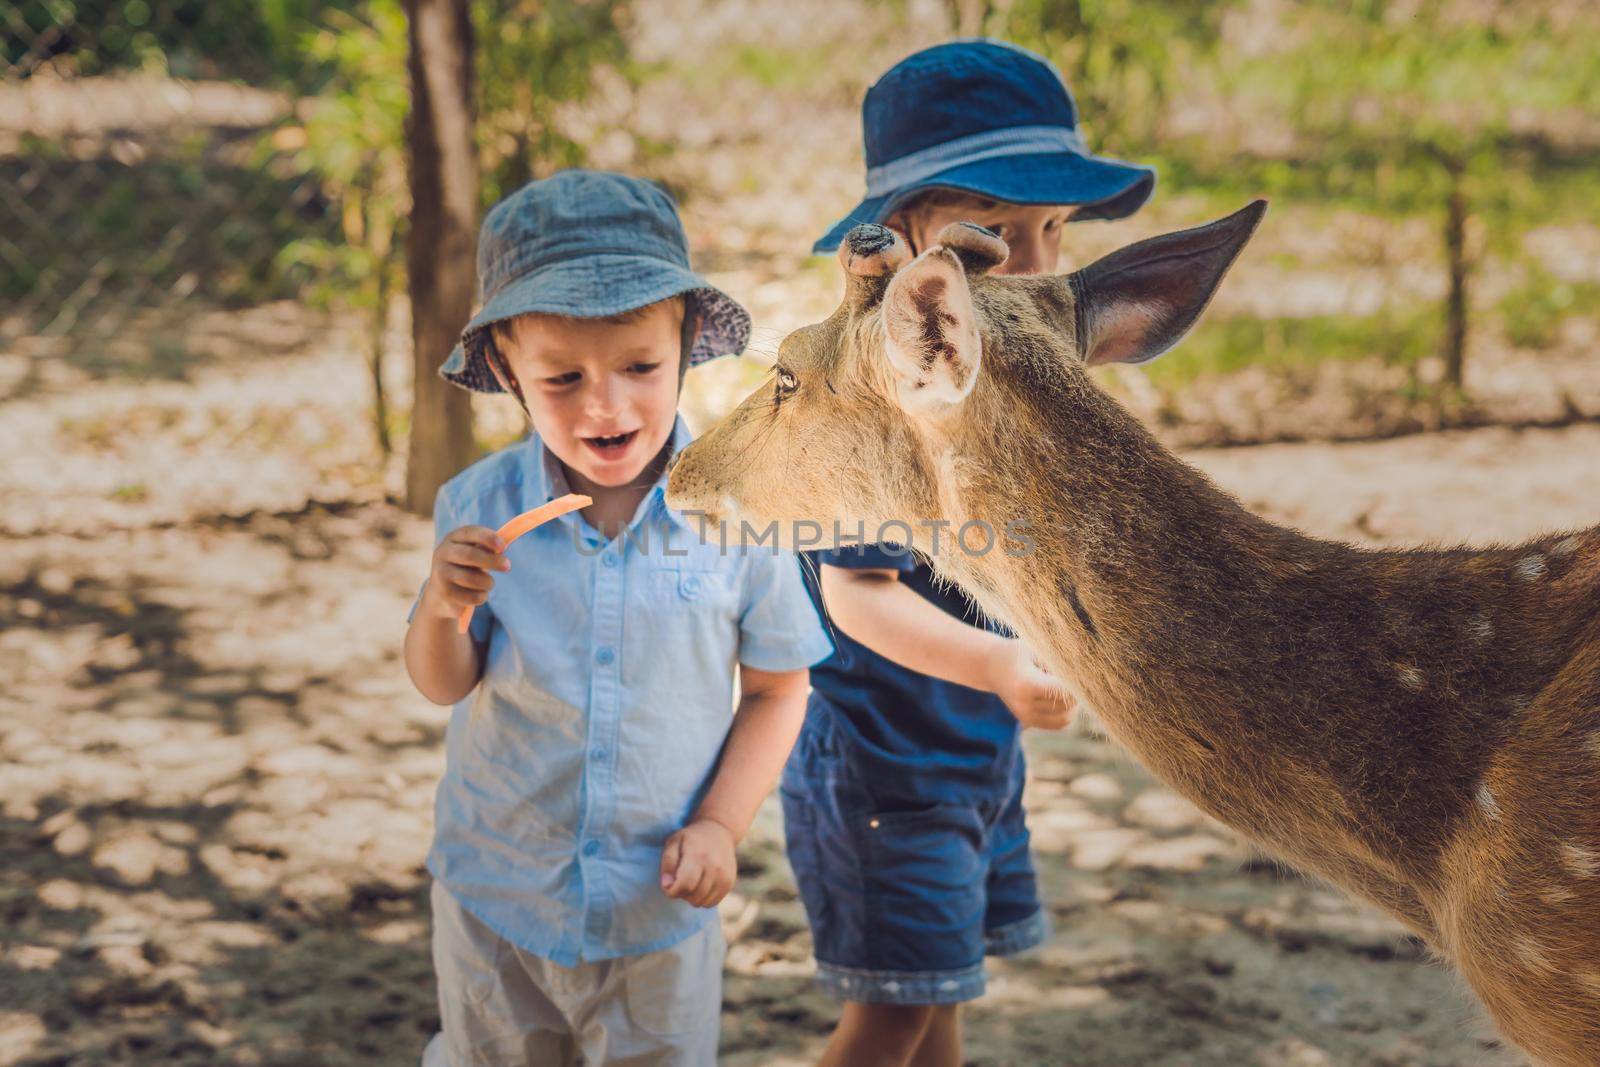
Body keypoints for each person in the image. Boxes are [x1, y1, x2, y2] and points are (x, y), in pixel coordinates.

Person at [404, 169, 833, 1066]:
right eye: (561, 378)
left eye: (640, 367)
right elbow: (444, 682)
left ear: (684, 347)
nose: (606, 405)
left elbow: (777, 689)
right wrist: (443, 606)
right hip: (499, 893)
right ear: (511, 377)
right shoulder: (476, 506)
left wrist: (721, 823)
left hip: (658, 908)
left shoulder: (740, 511)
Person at [787, 39, 1156, 1067]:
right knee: (889, 1018)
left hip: (970, 756)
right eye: (993, 231)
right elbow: (854, 595)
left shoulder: (998, 391)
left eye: (1051, 228)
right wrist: (998, 662)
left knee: (938, 1002)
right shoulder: (872, 396)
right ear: (896, 236)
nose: (1033, 264)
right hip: (881, 771)